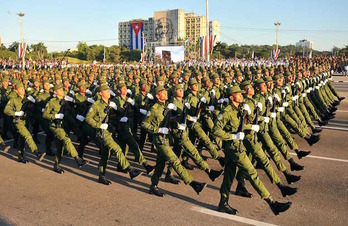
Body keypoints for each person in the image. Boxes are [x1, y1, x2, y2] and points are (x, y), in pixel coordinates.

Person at [213, 85, 291, 215]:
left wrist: (250, 120)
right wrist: (232, 136)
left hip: (237, 147)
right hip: (234, 148)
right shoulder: (226, 112)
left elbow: (241, 125)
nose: (242, 95)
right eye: (239, 94)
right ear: (232, 97)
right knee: (252, 173)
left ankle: (223, 202)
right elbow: (215, 130)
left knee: (229, 176)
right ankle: (272, 203)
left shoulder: (240, 108)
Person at [142, 86, 207, 197]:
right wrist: (157, 130)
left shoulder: (168, 106)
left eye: (165, 91)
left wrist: (178, 117)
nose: (166, 93)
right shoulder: (154, 108)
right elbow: (144, 124)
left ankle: (153, 186)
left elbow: (170, 119)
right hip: (159, 140)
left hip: (166, 139)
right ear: (158, 96)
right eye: (162, 92)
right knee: (174, 160)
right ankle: (193, 183)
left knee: (160, 164)